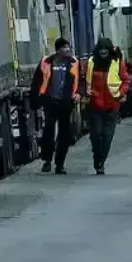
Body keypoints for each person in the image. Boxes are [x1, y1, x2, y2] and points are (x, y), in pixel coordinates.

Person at [29, 37, 82, 174]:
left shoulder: (74, 62)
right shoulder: (46, 62)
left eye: (68, 47)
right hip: (49, 101)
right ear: (58, 50)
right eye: (64, 47)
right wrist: (35, 99)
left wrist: (79, 93)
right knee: (49, 130)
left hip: (66, 102)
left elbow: (80, 80)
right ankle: (47, 160)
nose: (67, 50)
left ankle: (60, 164)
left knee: (65, 134)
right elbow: (37, 81)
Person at [81, 37, 131, 174]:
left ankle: (101, 161)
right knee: (96, 135)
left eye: (106, 49)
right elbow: (83, 79)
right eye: (101, 49)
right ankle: (97, 158)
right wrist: (84, 91)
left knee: (107, 136)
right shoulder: (90, 62)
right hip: (95, 105)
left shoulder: (117, 62)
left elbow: (126, 79)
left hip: (112, 105)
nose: (103, 52)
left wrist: (121, 92)